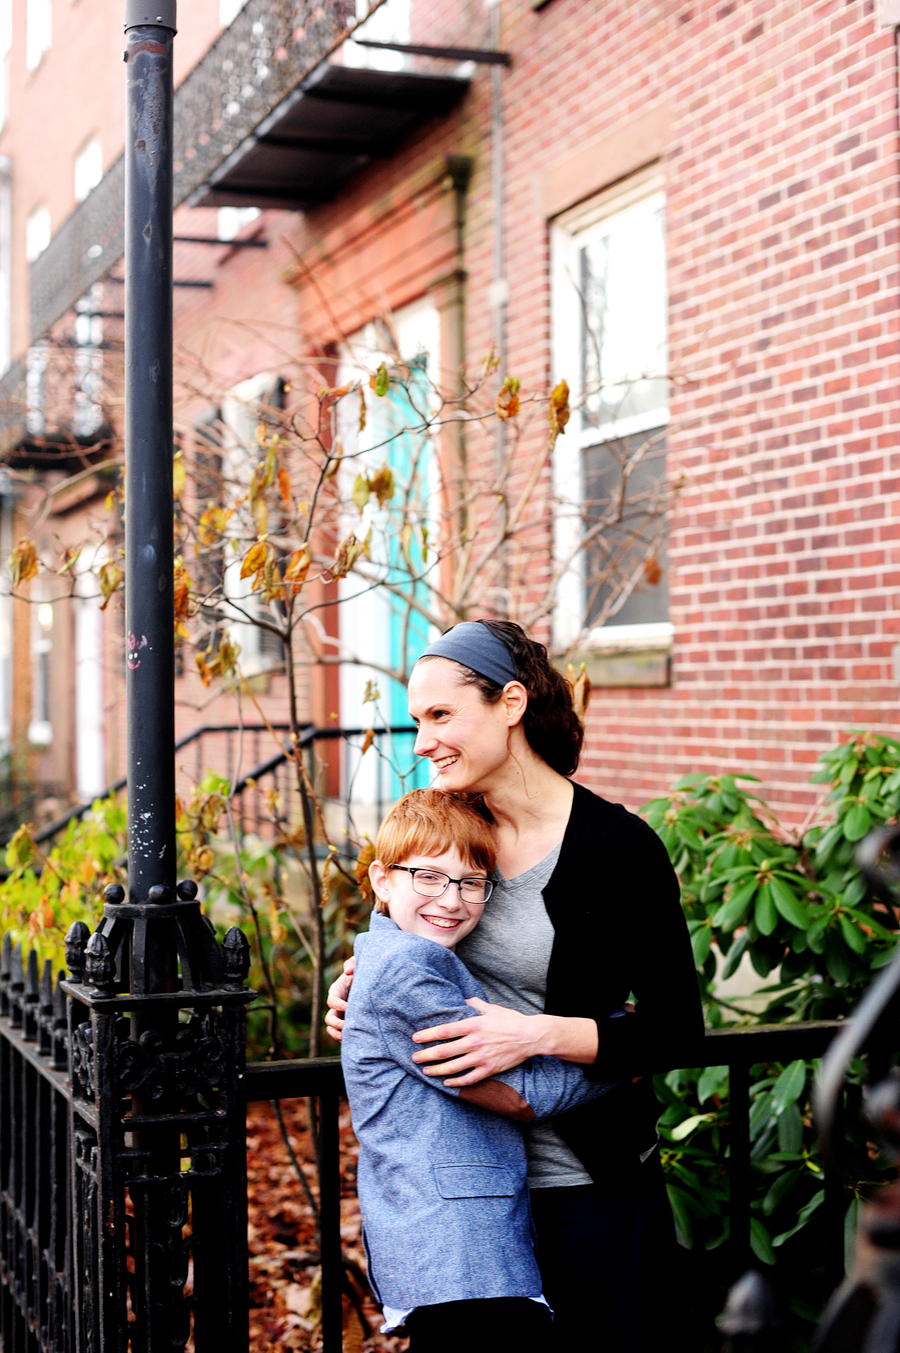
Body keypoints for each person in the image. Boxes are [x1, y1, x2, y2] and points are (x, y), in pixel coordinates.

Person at [329, 619, 704, 1349]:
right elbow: (395, 940)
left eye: (441, 715)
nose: (423, 740)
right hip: (463, 1215)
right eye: (416, 720)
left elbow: (677, 1028)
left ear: (510, 703)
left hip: (587, 1192)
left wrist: (535, 1033)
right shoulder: (444, 829)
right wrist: (356, 986)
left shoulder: (618, 848)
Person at [342, 788, 618, 1353]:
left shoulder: (404, 957)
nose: (452, 899)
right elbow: (517, 1094)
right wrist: (621, 1051)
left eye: (472, 883)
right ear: (382, 879)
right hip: (456, 1247)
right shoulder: (404, 973)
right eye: (429, 877)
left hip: (461, 1245)